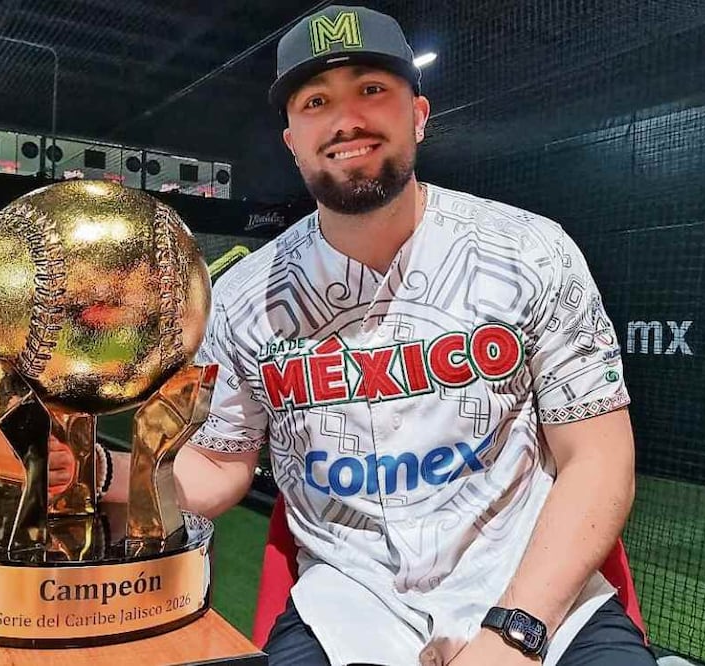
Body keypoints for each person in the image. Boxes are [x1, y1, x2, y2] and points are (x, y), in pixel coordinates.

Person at [52, 6, 657, 665]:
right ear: (291, 137)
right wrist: (98, 468)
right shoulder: (245, 297)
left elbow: (596, 459)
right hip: (351, 600)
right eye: (316, 101)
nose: (345, 121)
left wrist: (515, 632)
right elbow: (221, 465)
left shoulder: (530, 252)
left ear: (418, 114)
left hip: (530, 593)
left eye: (372, 89)